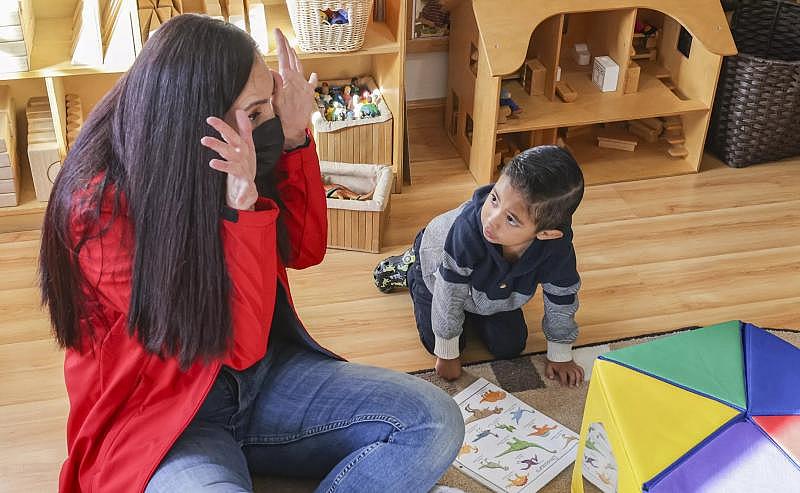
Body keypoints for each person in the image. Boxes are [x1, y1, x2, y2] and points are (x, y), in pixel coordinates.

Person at [39, 14, 463, 493]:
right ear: (197, 117)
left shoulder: (226, 158)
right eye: (259, 111)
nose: (271, 119)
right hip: (169, 418)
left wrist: (296, 137)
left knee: (434, 420)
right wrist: (239, 210)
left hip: (264, 378)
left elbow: (306, 249)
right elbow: (233, 343)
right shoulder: (97, 211)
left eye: (271, 104)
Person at [374, 146, 586, 386]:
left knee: (510, 347)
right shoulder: (468, 231)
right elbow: (449, 292)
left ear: (546, 234)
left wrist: (560, 353)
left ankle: (473, 308)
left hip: (492, 290)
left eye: (511, 219)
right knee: (438, 342)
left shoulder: (557, 250)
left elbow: (562, 296)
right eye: (494, 198)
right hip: (436, 269)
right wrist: (447, 352)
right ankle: (409, 268)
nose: (491, 220)